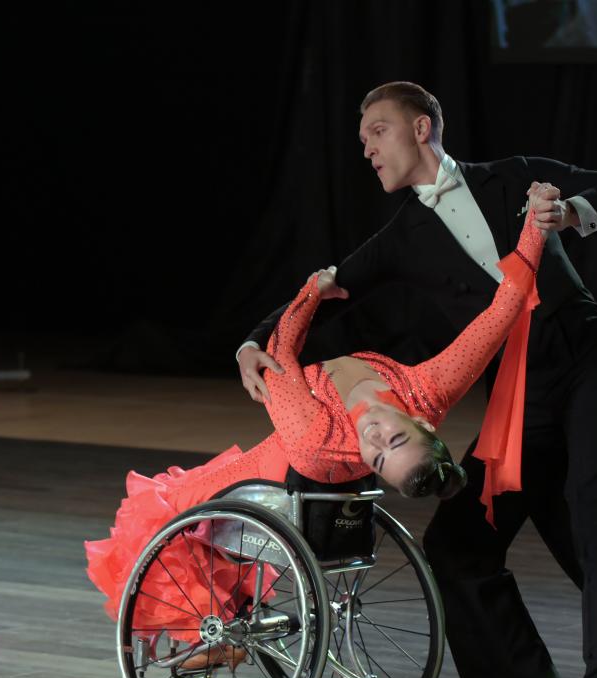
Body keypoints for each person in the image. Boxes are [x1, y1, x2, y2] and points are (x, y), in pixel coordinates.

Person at [237, 81, 597, 678]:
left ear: (423, 125)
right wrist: (253, 341)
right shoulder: (404, 235)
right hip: (523, 394)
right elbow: (327, 285)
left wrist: (572, 211)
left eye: (377, 129)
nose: (367, 146)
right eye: (362, 137)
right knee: (457, 540)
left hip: (588, 358)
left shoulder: (515, 176)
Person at [86, 185, 555, 644]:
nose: (372, 440)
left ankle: (208, 643)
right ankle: (209, 647)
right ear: (424, 424)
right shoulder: (430, 389)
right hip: (267, 487)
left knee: (162, 521)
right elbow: (504, 308)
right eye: (392, 440)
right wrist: (536, 223)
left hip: (251, 491)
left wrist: (312, 291)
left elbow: (279, 354)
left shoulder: (320, 438)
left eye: (376, 460)